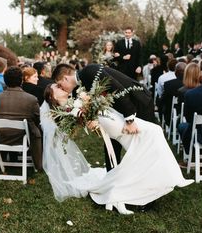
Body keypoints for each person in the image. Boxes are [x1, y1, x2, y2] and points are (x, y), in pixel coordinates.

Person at [40, 83, 193, 215]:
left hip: (114, 117)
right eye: (57, 88)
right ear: (52, 97)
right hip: (113, 126)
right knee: (154, 135)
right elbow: (84, 122)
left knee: (155, 135)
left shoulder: (74, 98)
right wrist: (88, 118)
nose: (61, 88)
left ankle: (173, 178)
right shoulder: (67, 110)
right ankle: (123, 195)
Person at [52, 63, 155, 172]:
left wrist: (130, 120)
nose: (61, 88)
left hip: (139, 101)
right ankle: (112, 175)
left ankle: (151, 174)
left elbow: (118, 89)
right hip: (117, 112)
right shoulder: (81, 84)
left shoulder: (89, 71)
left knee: (144, 142)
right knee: (111, 142)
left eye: (59, 84)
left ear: (65, 78)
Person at [0, 66, 42, 170]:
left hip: (2, 137)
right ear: (21, 81)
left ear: (5, 81)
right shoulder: (31, 99)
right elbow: (38, 120)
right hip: (23, 138)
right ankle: (39, 163)